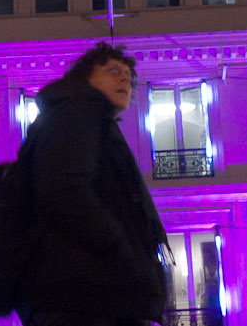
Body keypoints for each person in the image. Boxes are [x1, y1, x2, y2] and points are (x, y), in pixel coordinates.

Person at [16, 42, 168, 326]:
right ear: (84, 80)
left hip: (83, 298)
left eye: (127, 75)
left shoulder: (77, 118)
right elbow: (65, 191)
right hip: (88, 300)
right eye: (112, 71)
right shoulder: (77, 114)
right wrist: (123, 252)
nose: (124, 78)